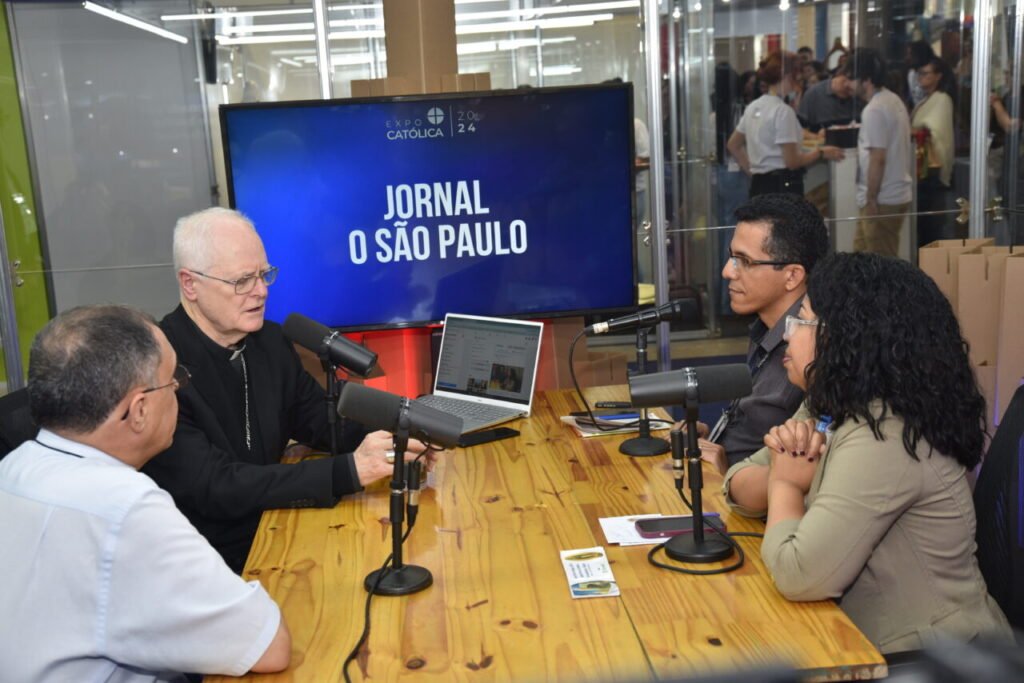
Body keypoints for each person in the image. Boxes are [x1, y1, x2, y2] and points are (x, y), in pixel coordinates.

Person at [722, 253, 1013, 655]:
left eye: (801, 320)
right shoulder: (830, 400)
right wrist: (784, 474)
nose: (788, 335)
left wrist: (787, 482)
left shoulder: (886, 433)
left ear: (847, 336)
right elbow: (737, 486)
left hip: (936, 659)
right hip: (859, 638)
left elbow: (798, 574)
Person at [0, 305, 291, 680]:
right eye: (174, 381)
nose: (179, 392)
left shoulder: (13, 468)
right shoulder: (124, 507)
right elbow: (267, 645)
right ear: (138, 410)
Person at [142, 207, 432, 573]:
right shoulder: (159, 368)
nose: (261, 291)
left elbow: (316, 417)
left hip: (279, 533)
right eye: (242, 281)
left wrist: (398, 440)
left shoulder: (270, 341)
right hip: (210, 563)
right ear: (190, 284)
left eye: (264, 275)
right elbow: (215, 486)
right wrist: (350, 471)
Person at [678, 193, 828, 473]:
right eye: (731, 257)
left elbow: (802, 472)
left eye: (744, 261)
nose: (727, 272)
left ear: (793, 275)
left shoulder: (808, 352)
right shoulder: (766, 327)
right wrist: (711, 439)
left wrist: (726, 470)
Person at [728, 51, 844, 198]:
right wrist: (820, 152)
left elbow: (733, 145)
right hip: (782, 187)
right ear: (788, 76)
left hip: (758, 186)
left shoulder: (753, 107)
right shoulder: (783, 111)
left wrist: (753, 171)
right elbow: (792, 162)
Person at [842, 48, 913, 257]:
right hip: (893, 194)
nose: (848, 84)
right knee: (862, 258)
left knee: (879, 266)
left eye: (851, 79)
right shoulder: (893, 100)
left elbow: (878, 158)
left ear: (866, 80)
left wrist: (872, 199)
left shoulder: (874, 110)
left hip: (882, 199)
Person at [911, 56, 957, 245]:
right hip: (920, 167)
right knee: (921, 224)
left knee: (930, 224)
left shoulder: (942, 99)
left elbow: (937, 132)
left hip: (930, 170)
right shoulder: (925, 100)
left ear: (938, 76)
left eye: (925, 73)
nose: (921, 77)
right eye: (919, 73)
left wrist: (915, 131)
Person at [797, 69, 864, 132]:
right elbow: (801, 128)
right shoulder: (814, 94)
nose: (848, 84)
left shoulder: (859, 96)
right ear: (838, 76)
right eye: (845, 80)